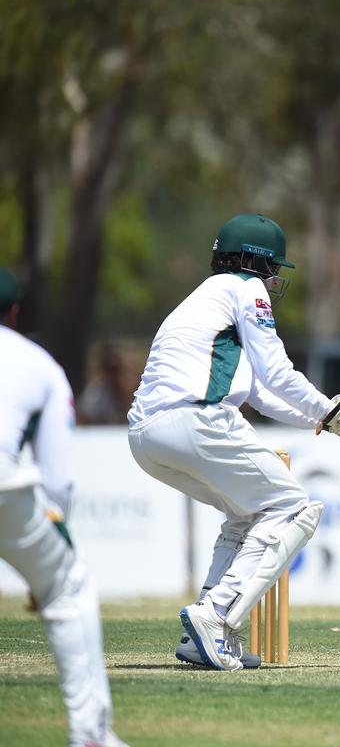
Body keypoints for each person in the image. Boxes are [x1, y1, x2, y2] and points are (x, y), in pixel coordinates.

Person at [127, 213, 340, 671]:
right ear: (255, 263)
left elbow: (261, 393)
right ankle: (214, 617)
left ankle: (200, 640)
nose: (275, 279)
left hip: (147, 437)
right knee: (294, 509)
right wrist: (338, 414)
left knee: (247, 516)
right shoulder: (246, 289)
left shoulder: (201, 299)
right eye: (273, 267)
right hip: (199, 419)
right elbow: (279, 373)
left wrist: (336, 425)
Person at [0, 266, 128, 746]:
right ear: (14, 312)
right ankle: (91, 736)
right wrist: (49, 567)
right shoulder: (39, 364)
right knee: (69, 589)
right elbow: (56, 484)